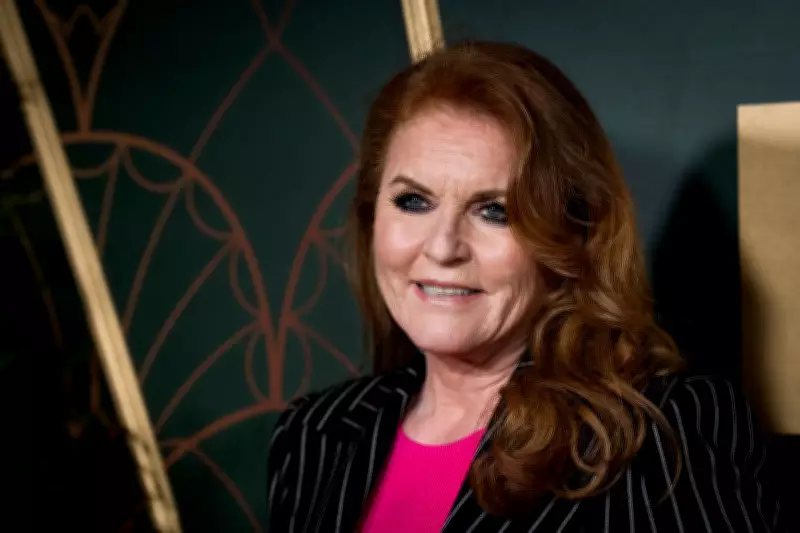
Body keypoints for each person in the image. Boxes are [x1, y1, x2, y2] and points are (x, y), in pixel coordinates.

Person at [267, 41, 788, 533]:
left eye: (495, 211)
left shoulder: (660, 435)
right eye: (414, 202)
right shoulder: (314, 433)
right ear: (371, 216)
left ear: (571, 237)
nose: (443, 247)